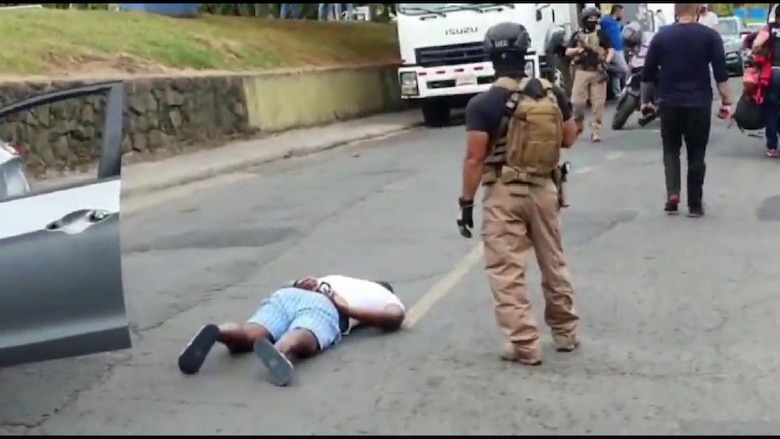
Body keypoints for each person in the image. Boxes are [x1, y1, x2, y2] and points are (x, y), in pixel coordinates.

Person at [457, 22, 581, 365]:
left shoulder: (482, 104)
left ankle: (525, 344)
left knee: (506, 270)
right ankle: (566, 333)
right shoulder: (552, 93)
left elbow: (475, 159)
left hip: (503, 194)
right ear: (525, 51)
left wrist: (465, 203)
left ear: (489, 54)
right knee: (553, 262)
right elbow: (569, 138)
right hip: (545, 189)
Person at [177, 275, 405, 386]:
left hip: (289, 295)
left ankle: (218, 331)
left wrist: (296, 284)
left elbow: (300, 282)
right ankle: (283, 350)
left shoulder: (338, 277)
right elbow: (395, 317)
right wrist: (349, 309)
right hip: (326, 304)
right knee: (307, 332)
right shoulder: (388, 297)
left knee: (249, 335)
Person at [641, 3, 731, 217]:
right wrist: (727, 102)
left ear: (676, 12)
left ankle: (673, 194)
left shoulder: (661, 37)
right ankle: (695, 204)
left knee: (671, 150)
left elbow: (647, 73)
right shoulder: (709, 37)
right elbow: (721, 74)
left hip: (670, 103)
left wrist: (645, 101)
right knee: (696, 153)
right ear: (697, 12)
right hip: (699, 104)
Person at [565, 6, 615, 142]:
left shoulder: (601, 34)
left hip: (598, 71)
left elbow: (610, 49)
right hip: (581, 70)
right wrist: (578, 50)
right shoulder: (577, 35)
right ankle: (578, 124)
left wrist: (607, 61)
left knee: (598, 104)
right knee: (576, 102)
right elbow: (567, 52)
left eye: (594, 18)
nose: (592, 21)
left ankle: (596, 131)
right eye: (590, 18)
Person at [750, 6, 780, 157]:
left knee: (771, 110)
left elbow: (755, 45)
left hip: (773, 74)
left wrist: (756, 54)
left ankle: (772, 147)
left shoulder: (769, 29)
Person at [601, 5, 629, 99]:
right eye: (622, 12)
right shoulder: (606, 21)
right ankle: (606, 67)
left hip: (619, 49)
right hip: (613, 50)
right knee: (624, 70)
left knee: (618, 74)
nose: (623, 14)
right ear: (617, 12)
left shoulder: (616, 23)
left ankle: (617, 93)